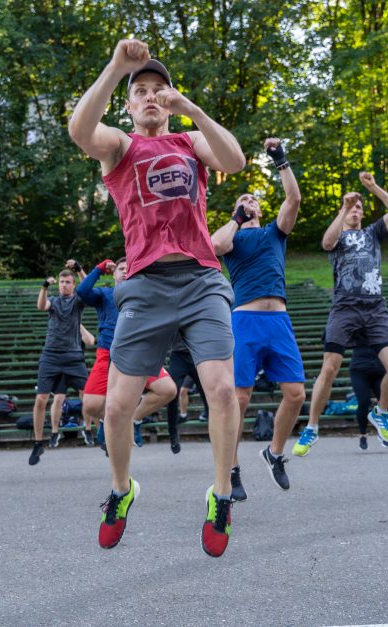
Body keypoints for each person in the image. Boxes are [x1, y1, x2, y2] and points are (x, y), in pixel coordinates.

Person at [68, 39, 245, 557]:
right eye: (139, 91)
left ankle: (221, 494)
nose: (149, 97)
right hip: (144, 286)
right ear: (128, 104)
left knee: (221, 389)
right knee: (117, 409)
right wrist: (115, 66)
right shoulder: (121, 147)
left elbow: (234, 161)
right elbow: (80, 130)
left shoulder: (191, 144)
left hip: (201, 279)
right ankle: (122, 491)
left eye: (157, 90)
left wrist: (189, 108)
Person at [210, 137, 305, 497]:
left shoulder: (274, 233)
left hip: (278, 321)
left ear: (262, 210)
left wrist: (280, 160)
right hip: (245, 321)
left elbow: (293, 200)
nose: (249, 201)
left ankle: (274, 453)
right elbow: (215, 246)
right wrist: (236, 218)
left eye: (253, 200)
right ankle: (232, 468)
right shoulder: (232, 239)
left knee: (295, 394)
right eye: (243, 199)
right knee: (241, 398)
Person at [292, 172, 388, 457]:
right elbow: (326, 243)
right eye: (352, 208)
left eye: (359, 208)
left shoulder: (373, 233)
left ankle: (380, 413)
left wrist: (372, 186)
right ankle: (312, 427)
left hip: (375, 306)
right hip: (345, 306)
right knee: (329, 368)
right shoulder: (340, 237)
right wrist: (343, 208)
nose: (355, 211)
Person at [75, 257, 177, 452]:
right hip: (108, 352)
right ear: (113, 274)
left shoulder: (143, 295)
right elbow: (82, 291)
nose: (124, 271)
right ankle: (110, 420)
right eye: (120, 268)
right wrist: (98, 269)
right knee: (90, 405)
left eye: (128, 269)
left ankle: (134, 419)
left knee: (169, 390)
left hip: (139, 352)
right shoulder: (105, 294)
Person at [29, 269, 90, 465]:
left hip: (73, 356)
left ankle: (89, 430)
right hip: (51, 355)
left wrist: (80, 270)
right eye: (62, 282)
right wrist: (44, 286)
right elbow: (40, 305)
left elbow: (88, 287)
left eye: (67, 282)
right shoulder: (53, 301)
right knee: (41, 399)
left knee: (88, 395)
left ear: (73, 284)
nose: (64, 284)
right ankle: (38, 443)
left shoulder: (78, 301)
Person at [348, 345, 388, 450]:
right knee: (363, 403)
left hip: (379, 369)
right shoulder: (355, 329)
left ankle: (383, 432)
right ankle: (363, 435)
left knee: (384, 402)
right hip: (359, 370)